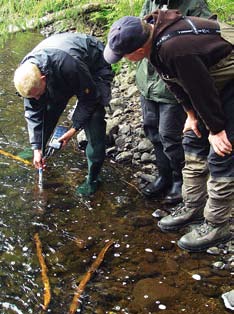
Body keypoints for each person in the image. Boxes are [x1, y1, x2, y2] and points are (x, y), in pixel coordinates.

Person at [104, 10, 234, 252]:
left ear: (137, 50)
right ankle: (193, 206)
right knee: (192, 140)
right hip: (209, 78)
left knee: (222, 154)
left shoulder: (175, 48)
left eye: (123, 55)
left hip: (228, 80)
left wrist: (216, 130)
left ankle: (217, 225)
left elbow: (201, 89)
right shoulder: (152, 40)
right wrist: (191, 116)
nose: (122, 59)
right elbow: (174, 82)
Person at [14, 32, 114, 196]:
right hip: (60, 69)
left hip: (93, 67)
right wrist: (36, 147)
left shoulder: (70, 65)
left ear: (44, 78)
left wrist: (73, 129)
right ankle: (41, 149)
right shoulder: (26, 74)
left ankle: (93, 178)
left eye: (37, 93)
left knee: (94, 119)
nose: (36, 98)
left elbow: (90, 99)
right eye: (32, 96)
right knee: (47, 108)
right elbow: (34, 110)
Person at [136, 0, 210, 204]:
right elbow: (140, 30)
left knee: (169, 136)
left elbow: (205, 40)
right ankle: (164, 176)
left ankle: (180, 181)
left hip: (173, 83)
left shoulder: (195, 4)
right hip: (148, 80)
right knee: (152, 131)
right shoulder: (150, 2)